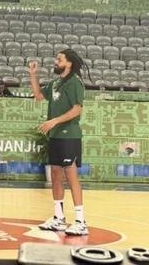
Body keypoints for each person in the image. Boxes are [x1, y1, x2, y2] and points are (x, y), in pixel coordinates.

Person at [28, 49, 89, 235]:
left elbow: (77, 109)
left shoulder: (75, 82)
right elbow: (39, 95)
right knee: (55, 175)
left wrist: (54, 121)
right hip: (55, 136)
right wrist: (33, 75)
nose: (56, 61)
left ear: (69, 63)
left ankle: (80, 221)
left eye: (59, 59)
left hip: (69, 135)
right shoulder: (56, 83)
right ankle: (58, 218)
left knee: (71, 176)